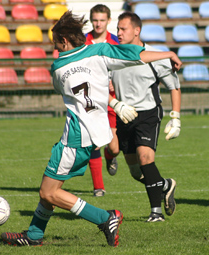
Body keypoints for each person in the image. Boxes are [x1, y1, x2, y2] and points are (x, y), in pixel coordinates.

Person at [1, 11, 182, 246]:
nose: (55, 48)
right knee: (51, 189)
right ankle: (34, 235)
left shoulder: (58, 67)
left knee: (48, 192)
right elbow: (137, 55)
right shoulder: (100, 51)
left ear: (64, 41)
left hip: (75, 137)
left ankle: (105, 218)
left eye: (55, 43)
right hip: (96, 133)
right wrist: (169, 53)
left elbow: (66, 87)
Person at [109, 12, 182, 222]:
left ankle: (156, 213)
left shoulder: (155, 56)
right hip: (123, 116)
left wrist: (175, 117)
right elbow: (101, 84)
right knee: (135, 171)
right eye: (117, 29)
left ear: (136, 31)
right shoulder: (113, 55)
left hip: (148, 113)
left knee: (145, 159)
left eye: (123, 29)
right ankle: (166, 185)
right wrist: (115, 101)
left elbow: (174, 87)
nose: (119, 33)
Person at [84, 4, 123, 197]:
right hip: (91, 99)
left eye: (102, 20)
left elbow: (124, 67)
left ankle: (110, 157)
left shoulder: (116, 42)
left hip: (112, 100)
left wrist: (116, 83)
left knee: (115, 147)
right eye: (95, 20)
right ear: (91, 21)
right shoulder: (83, 42)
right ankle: (98, 187)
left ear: (108, 21)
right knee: (95, 143)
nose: (98, 24)